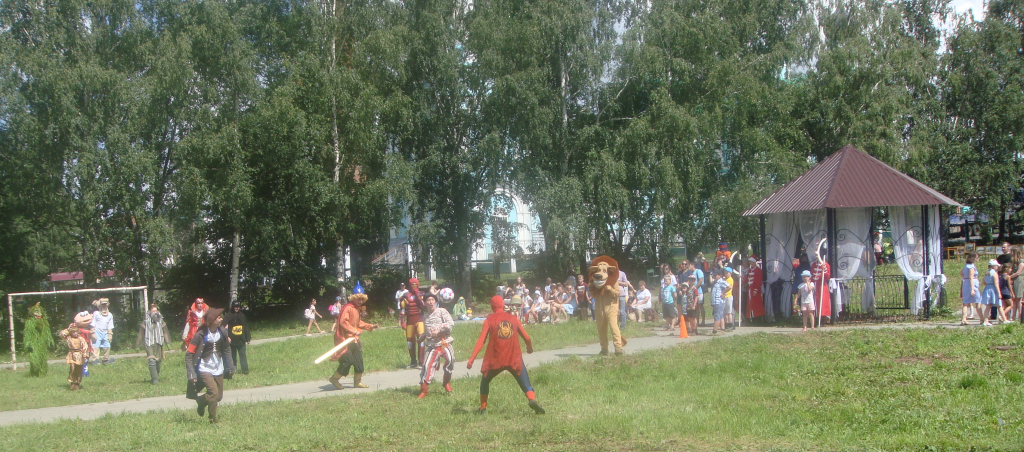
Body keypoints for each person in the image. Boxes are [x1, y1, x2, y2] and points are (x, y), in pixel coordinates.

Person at [467, 295, 545, 415]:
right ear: (503, 305)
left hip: (495, 359)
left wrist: (472, 359)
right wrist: (529, 348)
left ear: (492, 307)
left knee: (485, 382)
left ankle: (483, 409)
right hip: (514, 358)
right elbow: (527, 337)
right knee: (526, 383)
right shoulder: (513, 318)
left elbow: (481, 341)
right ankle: (531, 399)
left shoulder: (489, 320)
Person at [185, 308, 234, 424]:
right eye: (219, 317)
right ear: (211, 320)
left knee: (218, 396)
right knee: (213, 393)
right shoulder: (200, 335)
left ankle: (201, 401)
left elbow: (227, 349)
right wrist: (191, 373)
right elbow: (188, 355)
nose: (221, 319)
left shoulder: (222, 332)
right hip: (204, 368)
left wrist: (230, 366)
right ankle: (213, 420)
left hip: (218, 367)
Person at [329, 284, 378, 390]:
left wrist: (370, 326)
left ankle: (357, 382)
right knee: (347, 361)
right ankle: (334, 378)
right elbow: (343, 322)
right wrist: (354, 331)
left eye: (361, 299)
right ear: (353, 298)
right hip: (344, 340)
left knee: (358, 361)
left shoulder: (356, 309)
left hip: (353, 340)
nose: (360, 301)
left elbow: (358, 322)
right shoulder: (348, 308)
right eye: (358, 299)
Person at [417, 294, 454, 398]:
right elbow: (426, 331)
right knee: (426, 365)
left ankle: (446, 382)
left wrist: (439, 329)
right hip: (432, 345)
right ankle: (424, 389)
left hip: (444, 342)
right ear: (425, 303)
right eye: (428, 300)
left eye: (432, 300)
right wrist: (421, 337)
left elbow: (450, 323)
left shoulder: (442, 311)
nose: (431, 302)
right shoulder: (425, 317)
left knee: (450, 360)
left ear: (436, 302)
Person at [590, 256, 626, 355]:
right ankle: (604, 349)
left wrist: (610, 290)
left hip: (611, 307)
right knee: (601, 329)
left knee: (614, 327)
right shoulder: (595, 283)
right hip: (599, 308)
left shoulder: (613, 281)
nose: (600, 273)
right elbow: (593, 295)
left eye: (604, 271)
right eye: (598, 270)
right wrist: (591, 289)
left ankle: (618, 348)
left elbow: (618, 293)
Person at [136, 303, 172, 384]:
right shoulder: (146, 322)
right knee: (152, 360)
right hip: (149, 343)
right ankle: (155, 379)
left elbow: (165, 332)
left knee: (158, 361)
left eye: (156, 311)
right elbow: (141, 333)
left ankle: (156, 375)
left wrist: (168, 343)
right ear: (150, 312)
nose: (155, 313)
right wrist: (137, 345)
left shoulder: (161, 321)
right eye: (153, 311)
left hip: (159, 343)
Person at [401, 278, 426, 368]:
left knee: (421, 340)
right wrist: (402, 322)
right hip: (410, 321)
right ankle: (413, 362)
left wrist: (417, 295)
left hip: (420, 320)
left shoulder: (422, 294)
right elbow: (403, 310)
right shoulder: (405, 295)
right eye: (412, 284)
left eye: (415, 284)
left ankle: (421, 362)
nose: (414, 286)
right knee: (409, 342)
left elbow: (423, 305)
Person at [224, 301, 251, 375]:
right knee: (233, 356)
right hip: (232, 340)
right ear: (232, 307)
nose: (237, 308)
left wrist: (248, 337)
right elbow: (223, 327)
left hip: (241, 339)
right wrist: (226, 337)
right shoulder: (228, 315)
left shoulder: (242, 316)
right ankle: (233, 370)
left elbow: (245, 327)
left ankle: (245, 371)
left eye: (238, 307)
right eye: (235, 307)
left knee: (242, 355)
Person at [981, 259, 1008, 326]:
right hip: (993, 290)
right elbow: (996, 284)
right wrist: (999, 293)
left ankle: (985, 320)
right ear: (993, 266)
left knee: (988, 306)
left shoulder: (986, 273)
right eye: (996, 266)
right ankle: (1004, 319)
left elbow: (983, 282)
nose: (997, 267)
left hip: (987, 288)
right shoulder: (994, 273)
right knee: (999, 305)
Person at [63, 326, 89, 390]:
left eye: (76, 332)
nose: (75, 333)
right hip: (71, 354)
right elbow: (62, 333)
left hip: (79, 355)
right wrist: (69, 329)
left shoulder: (81, 339)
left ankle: (77, 383)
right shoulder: (69, 338)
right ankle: (72, 382)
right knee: (72, 368)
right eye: (73, 332)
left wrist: (85, 353)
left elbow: (85, 346)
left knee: (79, 369)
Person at [89, 298, 114, 363]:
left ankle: (105, 359)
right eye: (102, 305)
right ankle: (95, 360)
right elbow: (93, 323)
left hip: (105, 333)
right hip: (97, 332)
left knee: (107, 346)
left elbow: (110, 325)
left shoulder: (110, 315)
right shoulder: (96, 313)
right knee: (96, 346)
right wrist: (92, 333)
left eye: (105, 305)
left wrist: (110, 334)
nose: (104, 306)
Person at [961, 253, 982, 325]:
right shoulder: (971, 267)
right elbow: (971, 278)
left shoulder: (966, 266)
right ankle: (982, 319)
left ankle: (963, 319)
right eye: (977, 257)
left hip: (966, 284)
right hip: (972, 285)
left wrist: (965, 277)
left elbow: (961, 273)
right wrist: (972, 289)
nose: (978, 259)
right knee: (978, 302)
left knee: (965, 303)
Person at [710, 270, 730, 335]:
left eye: (715, 275)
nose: (714, 277)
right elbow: (710, 281)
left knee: (717, 316)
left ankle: (714, 331)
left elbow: (729, 287)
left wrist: (723, 293)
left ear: (720, 275)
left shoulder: (721, 282)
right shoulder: (716, 282)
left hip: (719, 302)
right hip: (716, 302)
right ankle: (722, 329)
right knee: (721, 315)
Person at [688, 261, 706, 327]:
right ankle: (697, 321)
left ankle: (703, 321)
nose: (688, 267)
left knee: (700, 306)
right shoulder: (691, 273)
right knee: (696, 307)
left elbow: (701, 280)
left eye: (689, 265)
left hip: (699, 291)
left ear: (692, 265)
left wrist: (695, 288)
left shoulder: (698, 271)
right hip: (693, 292)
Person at [1010, 247, 1024, 322]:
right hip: (1013, 280)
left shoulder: (1021, 262)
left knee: (1018, 299)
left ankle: (1020, 315)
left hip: (1018, 280)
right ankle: (1013, 316)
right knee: (1014, 299)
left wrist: (1009, 277)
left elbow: (1018, 272)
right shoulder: (1013, 262)